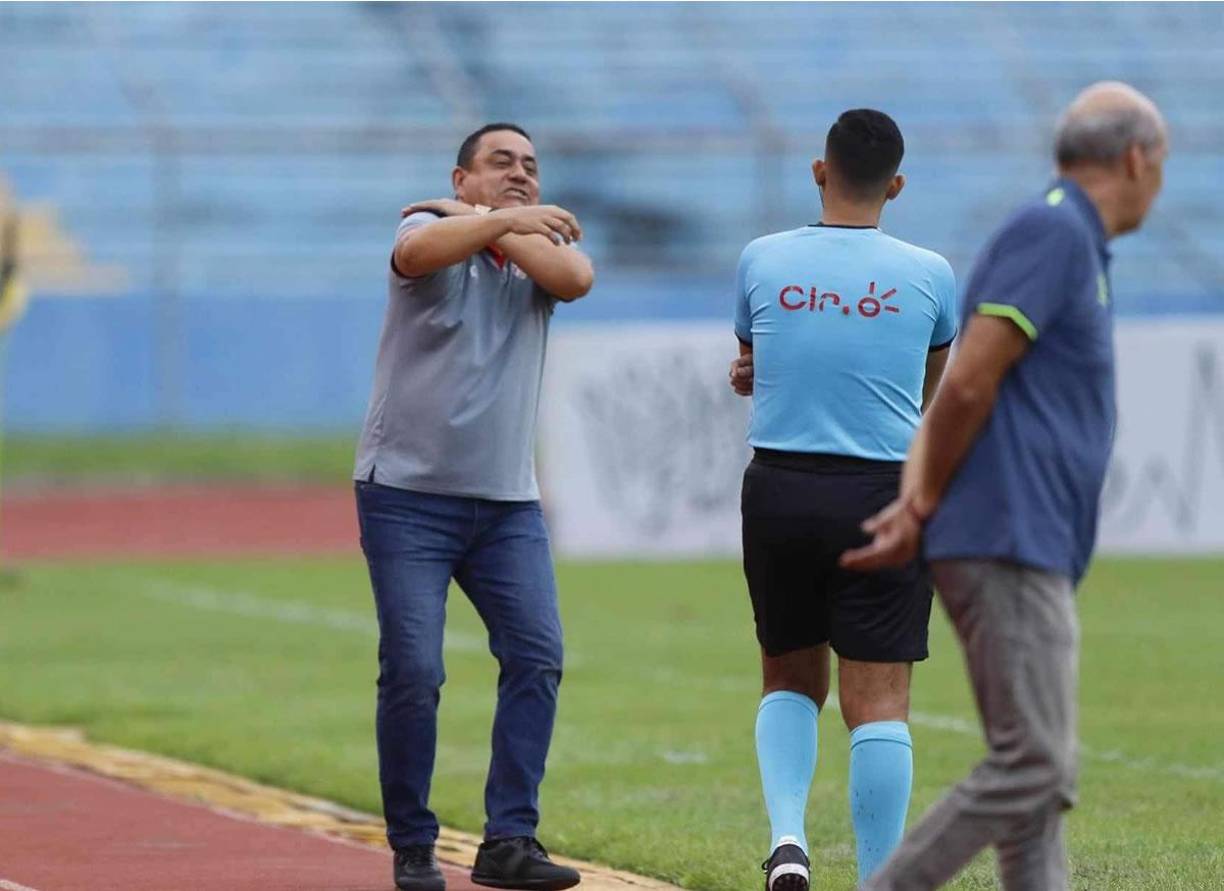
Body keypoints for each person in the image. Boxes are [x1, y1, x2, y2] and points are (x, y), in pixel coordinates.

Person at [842, 82, 1169, 891]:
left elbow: (969, 384)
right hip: (1007, 536)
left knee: (1034, 800)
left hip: (1030, 538)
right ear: (1135, 158)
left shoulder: (1071, 239)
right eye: (1160, 163)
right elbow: (964, 382)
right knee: (1034, 765)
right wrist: (920, 501)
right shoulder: (1054, 230)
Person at [353, 122, 593, 891]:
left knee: (537, 656)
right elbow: (416, 253)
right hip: (406, 498)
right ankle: (414, 843)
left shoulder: (534, 251)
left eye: (530, 164)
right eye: (501, 163)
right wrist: (498, 220)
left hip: (507, 503)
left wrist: (503, 223)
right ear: (462, 180)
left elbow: (576, 278)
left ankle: (508, 841)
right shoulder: (424, 227)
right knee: (415, 669)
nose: (521, 173)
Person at [731, 109, 959, 891]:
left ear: (818, 170)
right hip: (880, 490)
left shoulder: (762, 258)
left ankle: (789, 840)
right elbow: (923, 393)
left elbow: (752, 362)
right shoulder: (930, 273)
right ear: (896, 184)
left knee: (788, 677)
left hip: (781, 485)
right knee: (881, 703)